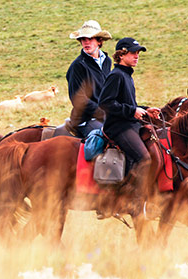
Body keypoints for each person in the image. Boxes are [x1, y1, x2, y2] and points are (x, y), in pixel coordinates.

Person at [98, 37, 160, 215]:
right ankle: (131, 201)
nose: (137, 56)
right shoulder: (116, 75)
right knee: (145, 159)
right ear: (121, 55)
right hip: (118, 127)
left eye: (138, 53)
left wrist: (146, 110)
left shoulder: (126, 75)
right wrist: (132, 111)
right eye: (133, 53)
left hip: (128, 124)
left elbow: (126, 102)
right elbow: (105, 102)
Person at [66, 20, 112, 138]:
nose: (86, 42)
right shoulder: (77, 66)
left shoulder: (107, 61)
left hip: (107, 115)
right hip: (85, 120)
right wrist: (103, 114)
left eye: (90, 39)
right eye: (83, 39)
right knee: (106, 138)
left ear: (99, 41)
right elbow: (79, 100)